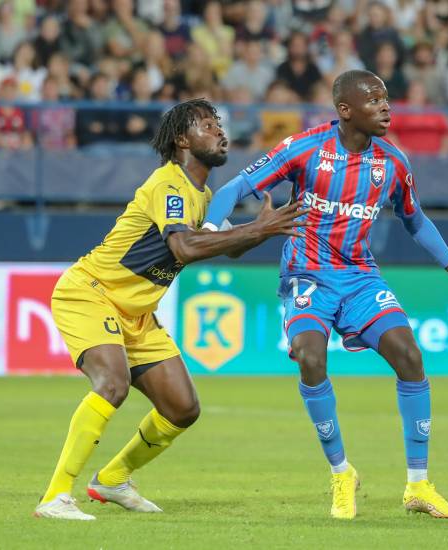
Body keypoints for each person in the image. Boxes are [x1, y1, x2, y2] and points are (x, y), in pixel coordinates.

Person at [202, 70, 448, 520]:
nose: (386, 107)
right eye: (374, 100)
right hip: (307, 275)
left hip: (360, 278)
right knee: (311, 358)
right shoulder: (305, 148)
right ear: (345, 110)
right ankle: (341, 472)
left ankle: (419, 485)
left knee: (409, 355)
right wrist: (211, 233)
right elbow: (236, 187)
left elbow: (416, 220)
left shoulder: (392, 163)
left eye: (387, 99)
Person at [33, 99, 306, 521]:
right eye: (208, 125)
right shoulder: (169, 184)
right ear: (182, 139)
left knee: (182, 408)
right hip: (92, 292)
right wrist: (257, 228)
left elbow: (224, 248)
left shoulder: (205, 195)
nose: (220, 132)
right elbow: (184, 247)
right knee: (112, 383)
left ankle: (113, 479)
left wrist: (258, 232)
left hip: (137, 315)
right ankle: (55, 496)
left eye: (220, 125)